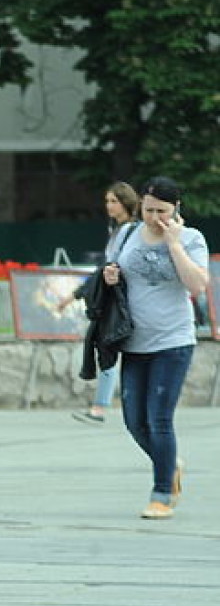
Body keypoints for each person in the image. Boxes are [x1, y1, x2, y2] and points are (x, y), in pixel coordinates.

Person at [102, 177, 207, 520]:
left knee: (159, 419)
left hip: (173, 341)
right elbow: (112, 271)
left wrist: (174, 244)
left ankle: (162, 494)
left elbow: (197, 285)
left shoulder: (191, 239)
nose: (154, 218)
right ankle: (169, 462)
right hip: (134, 342)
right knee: (134, 422)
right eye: (149, 210)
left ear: (176, 208)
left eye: (162, 211)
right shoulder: (128, 234)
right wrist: (111, 275)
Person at [61, 181, 140, 424]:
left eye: (114, 201)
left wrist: (76, 294)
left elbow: (112, 266)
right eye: (107, 201)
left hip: (120, 301)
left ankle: (101, 408)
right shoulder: (116, 230)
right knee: (107, 348)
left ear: (126, 202)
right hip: (112, 299)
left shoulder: (130, 231)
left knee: (108, 347)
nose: (109, 206)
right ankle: (100, 406)